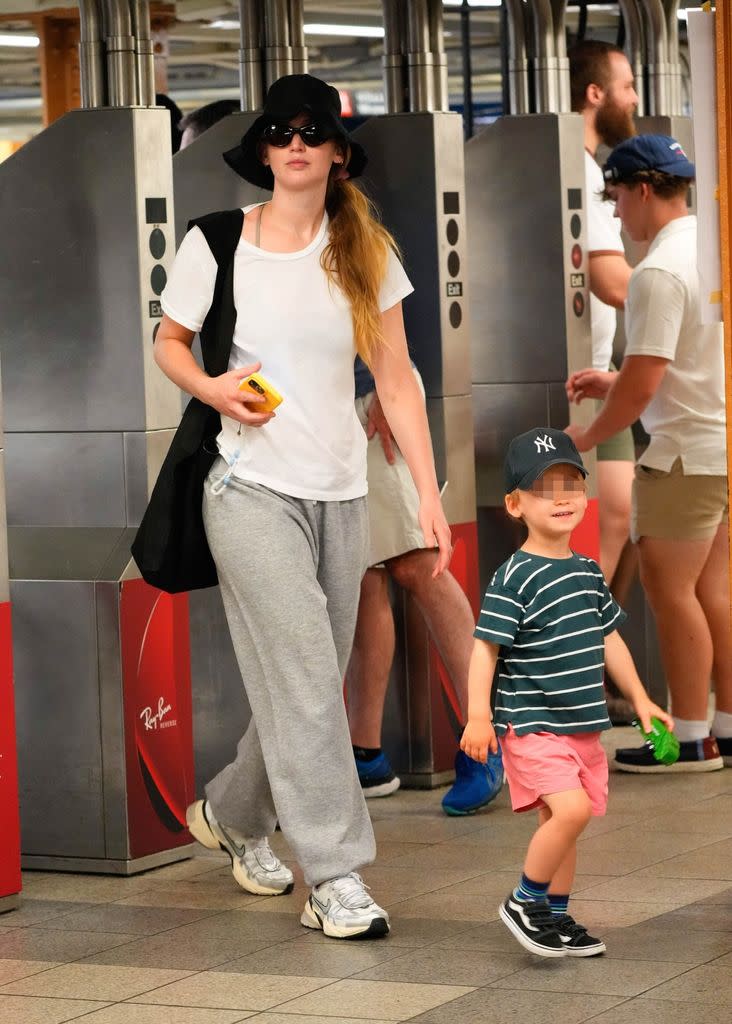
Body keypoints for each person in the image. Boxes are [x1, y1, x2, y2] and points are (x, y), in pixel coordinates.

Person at [153, 74, 452, 940]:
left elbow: (396, 377)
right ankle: (334, 877)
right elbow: (170, 342)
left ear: (335, 154)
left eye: (312, 132)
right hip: (246, 489)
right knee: (312, 688)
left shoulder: (364, 251)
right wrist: (213, 388)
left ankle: (232, 812)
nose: (295, 144)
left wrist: (428, 497)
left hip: (342, 491)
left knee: (304, 686)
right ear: (263, 153)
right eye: (280, 132)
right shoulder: (216, 243)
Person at [461, 426, 672, 957]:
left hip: (582, 725)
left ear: (586, 495)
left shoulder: (587, 572)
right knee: (572, 811)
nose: (561, 499)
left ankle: (554, 917)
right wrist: (477, 717)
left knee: (564, 824)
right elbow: (485, 649)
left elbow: (610, 641)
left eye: (571, 486)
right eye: (543, 489)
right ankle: (523, 901)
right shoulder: (514, 577)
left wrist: (642, 700)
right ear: (514, 504)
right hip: (531, 724)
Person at [566, 135, 731, 772]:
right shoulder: (709, 250)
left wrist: (585, 435)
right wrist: (621, 380)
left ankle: (685, 739)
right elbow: (684, 358)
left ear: (640, 189)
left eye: (615, 199)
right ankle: (723, 726)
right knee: (714, 595)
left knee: (671, 595)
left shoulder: (658, 271)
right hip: (717, 446)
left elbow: (645, 382)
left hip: (682, 456)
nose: (615, 215)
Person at [348, 359, 504, 814]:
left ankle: (484, 739)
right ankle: (365, 754)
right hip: (330, 408)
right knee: (365, 572)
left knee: (418, 561)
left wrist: (385, 383)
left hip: (374, 395)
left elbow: (380, 309)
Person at [568, 40, 638, 590]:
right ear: (595, 94)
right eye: (627, 86)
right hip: (575, 380)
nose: (634, 99)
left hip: (598, 376)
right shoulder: (578, 173)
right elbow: (611, 281)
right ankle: (587, 657)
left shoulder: (591, 170)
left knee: (620, 516)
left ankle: (598, 655)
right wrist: (680, 297)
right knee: (607, 521)